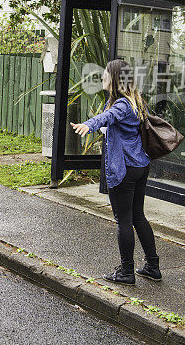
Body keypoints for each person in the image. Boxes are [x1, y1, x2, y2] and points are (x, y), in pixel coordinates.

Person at [70, 59, 162, 285]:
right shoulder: (136, 102)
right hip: (140, 165)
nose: (102, 78)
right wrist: (101, 127)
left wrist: (89, 125)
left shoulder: (120, 104)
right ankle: (152, 266)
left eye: (106, 74)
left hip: (125, 169)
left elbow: (108, 117)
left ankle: (127, 272)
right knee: (138, 216)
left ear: (115, 79)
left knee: (124, 220)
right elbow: (120, 126)